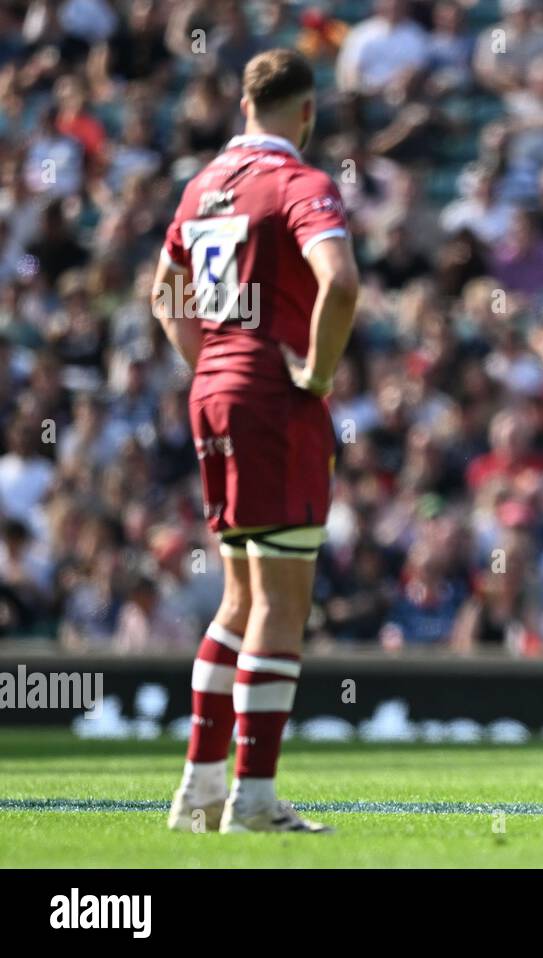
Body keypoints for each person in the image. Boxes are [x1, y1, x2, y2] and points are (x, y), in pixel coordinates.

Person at [153, 49, 358, 833]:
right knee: (281, 604)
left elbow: (162, 293)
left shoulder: (202, 186)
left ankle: (199, 790)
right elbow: (338, 283)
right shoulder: (302, 184)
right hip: (272, 402)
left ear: (245, 106)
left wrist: (210, 364)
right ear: (306, 113)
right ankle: (254, 798)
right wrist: (316, 373)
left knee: (237, 601)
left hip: (211, 396)